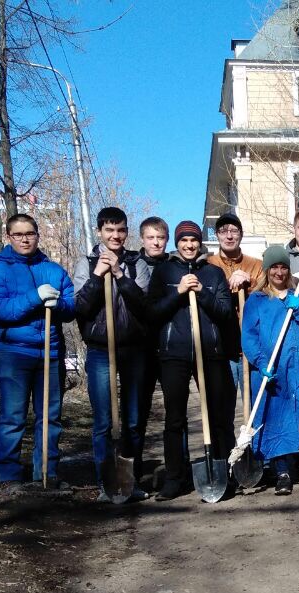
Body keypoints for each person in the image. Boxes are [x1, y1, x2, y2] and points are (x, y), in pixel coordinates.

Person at [0, 213, 76, 489]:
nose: (25, 239)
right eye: (18, 234)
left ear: (37, 235)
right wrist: (35, 297)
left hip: (50, 353)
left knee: (50, 417)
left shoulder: (54, 271)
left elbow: (72, 307)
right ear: (9, 237)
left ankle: (46, 472)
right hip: (13, 354)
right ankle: (9, 475)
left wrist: (59, 305)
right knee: (12, 417)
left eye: (30, 234)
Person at [146, 220, 235, 500]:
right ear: (177, 243)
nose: (189, 245)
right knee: (175, 418)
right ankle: (175, 478)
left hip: (211, 353)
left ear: (200, 243)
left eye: (194, 240)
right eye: (184, 240)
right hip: (175, 353)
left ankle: (224, 470)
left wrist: (202, 292)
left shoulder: (213, 272)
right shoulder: (164, 271)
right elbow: (152, 313)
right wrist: (179, 292)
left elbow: (225, 313)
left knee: (218, 415)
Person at [72, 207, 152, 502]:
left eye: (120, 230)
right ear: (99, 232)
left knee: (132, 420)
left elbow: (143, 304)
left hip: (132, 348)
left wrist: (119, 273)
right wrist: (97, 275)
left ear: (126, 232)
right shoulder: (86, 263)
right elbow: (80, 306)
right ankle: (106, 483)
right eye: (109, 230)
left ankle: (131, 481)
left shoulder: (136, 263)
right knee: (104, 421)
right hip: (100, 349)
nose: (115, 235)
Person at [241, 245, 299, 495]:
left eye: (283, 267)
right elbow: (249, 337)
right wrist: (261, 362)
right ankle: (282, 472)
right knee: (275, 418)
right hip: (271, 371)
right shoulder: (257, 300)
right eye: (274, 267)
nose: (279, 272)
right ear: (267, 270)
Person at [207, 213, 263, 427]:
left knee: (255, 408)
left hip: (251, 347)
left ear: (241, 234)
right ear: (216, 235)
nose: (229, 236)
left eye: (234, 231)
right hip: (222, 348)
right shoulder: (208, 265)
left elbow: (268, 292)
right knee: (222, 411)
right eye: (223, 231)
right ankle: (226, 448)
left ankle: (254, 447)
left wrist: (250, 282)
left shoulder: (256, 265)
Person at [134, 216, 170, 482]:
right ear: (142, 239)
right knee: (138, 411)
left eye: (160, 237)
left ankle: (176, 467)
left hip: (169, 346)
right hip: (140, 347)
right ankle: (133, 469)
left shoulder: (173, 266)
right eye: (151, 237)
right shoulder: (133, 266)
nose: (156, 242)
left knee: (175, 410)